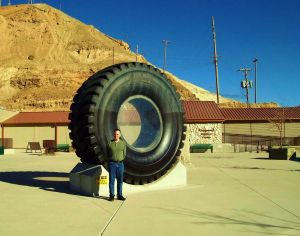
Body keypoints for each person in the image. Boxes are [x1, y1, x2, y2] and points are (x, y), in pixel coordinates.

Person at [107, 128, 126, 201]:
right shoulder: (110, 143)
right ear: (113, 135)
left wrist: (120, 159)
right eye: (115, 134)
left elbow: (124, 154)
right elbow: (107, 153)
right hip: (112, 164)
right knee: (111, 181)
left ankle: (119, 195)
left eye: (117, 134)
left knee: (120, 181)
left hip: (120, 164)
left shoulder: (123, 143)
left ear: (120, 135)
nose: (116, 135)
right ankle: (111, 195)